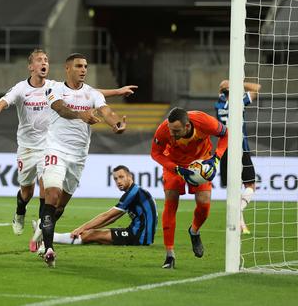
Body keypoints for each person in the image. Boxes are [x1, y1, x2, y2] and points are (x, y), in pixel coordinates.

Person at [0, 49, 135, 237]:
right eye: (39, 60)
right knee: (26, 192)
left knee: (47, 192)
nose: (44, 63)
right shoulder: (21, 89)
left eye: (46, 60)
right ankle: (20, 212)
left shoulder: (54, 86)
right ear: (31, 66)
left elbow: (90, 92)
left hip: (50, 145)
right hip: (27, 147)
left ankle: (40, 233)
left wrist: (117, 92)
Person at [39, 53, 126, 267]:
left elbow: (106, 111)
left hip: (78, 156)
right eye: (79, 66)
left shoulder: (92, 93)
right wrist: (81, 115)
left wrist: (115, 123)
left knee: (61, 205)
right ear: (68, 68)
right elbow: (60, 108)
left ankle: (42, 235)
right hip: (56, 149)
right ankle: (49, 248)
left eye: (85, 66)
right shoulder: (55, 89)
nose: (83, 69)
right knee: (52, 194)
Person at [151, 107, 227, 269]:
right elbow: (156, 153)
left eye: (176, 130)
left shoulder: (204, 121)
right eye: (171, 129)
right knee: (171, 202)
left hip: (201, 164)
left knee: (204, 203)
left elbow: (226, 134)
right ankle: (169, 255)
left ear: (187, 126)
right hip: (175, 166)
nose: (172, 134)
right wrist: (175, 168)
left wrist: (217, 158)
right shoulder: (164, 129)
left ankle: (194, 231)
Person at [51, 165, 157, 246]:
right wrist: (87, 228)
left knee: (91, 235)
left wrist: (81, 228)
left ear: (130, 177)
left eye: (121, 177)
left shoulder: (133, 193)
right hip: (141, 235)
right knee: (92, 233)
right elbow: (111, 219)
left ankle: (50, 237)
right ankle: (51, 236)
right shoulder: (137, 191)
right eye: (115, 179)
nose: (118, 181)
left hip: (138, 236)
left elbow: (107, 216)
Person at [215, 79, 261, 235]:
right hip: (241, 148)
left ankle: (240, 224)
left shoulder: (219, 105)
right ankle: (239, 210)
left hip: (225, 150)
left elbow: (221, 91)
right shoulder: (239, 102)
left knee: (232, 190)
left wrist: (226, 86)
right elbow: (257, 88)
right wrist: (238, 81)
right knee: (250, 186)